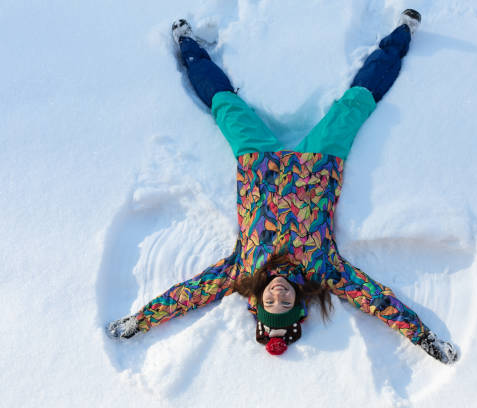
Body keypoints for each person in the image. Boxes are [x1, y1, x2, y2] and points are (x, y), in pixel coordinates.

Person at [108, 9, 458, 364]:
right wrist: (424, 338)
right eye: (286, 302)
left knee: (226, 106)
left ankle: (187, 45)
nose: (278, 294)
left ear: (257, 300)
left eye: (270, 302)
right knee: (355, 105)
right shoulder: (324, 270)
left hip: (258, 163)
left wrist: (141, 320)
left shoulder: (243, 270)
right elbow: (376, 300)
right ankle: (401, 36)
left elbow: (189, 295)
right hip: (318, 164)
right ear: (299, 301)